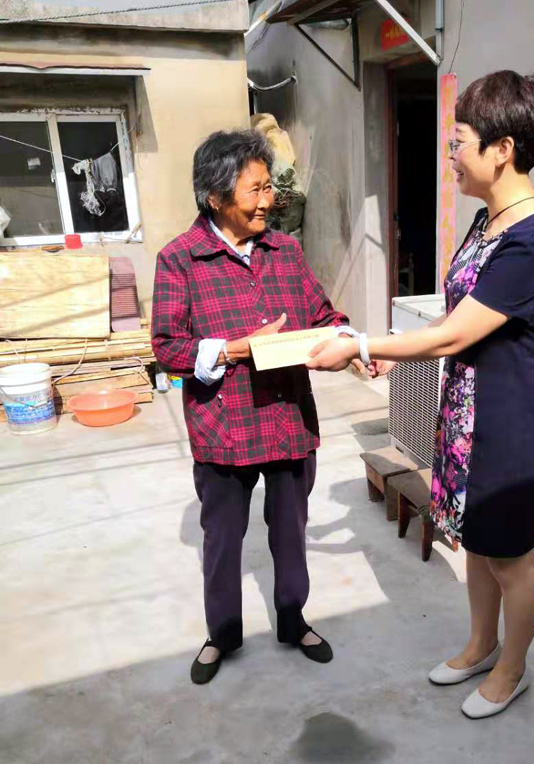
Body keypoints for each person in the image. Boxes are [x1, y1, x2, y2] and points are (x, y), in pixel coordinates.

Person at [307, 71, 534, 719]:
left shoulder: (533, 241)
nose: (449, 156)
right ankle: (480, 645)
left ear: (501, 149)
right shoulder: (487, 223)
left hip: (506, 431)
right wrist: (393, 357)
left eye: (458, 143)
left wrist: (361, 344)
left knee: (510, 561)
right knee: (475, 546)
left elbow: (453, 334)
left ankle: (511, 669)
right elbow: (459, 323)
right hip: (464, 420)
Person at [152, 129, 359, 684]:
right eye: (256, 189)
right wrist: (238, 349)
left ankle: (293, 620)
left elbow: (323, 313)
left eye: (270, 187)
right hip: (224, 426)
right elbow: (167, 347)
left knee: (290, 531)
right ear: (216, 197)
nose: (269, 200)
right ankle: (221, 634)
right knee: (223, 540)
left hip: (289, 418)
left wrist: (351, 344)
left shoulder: (285, 251)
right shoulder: (180, 259)